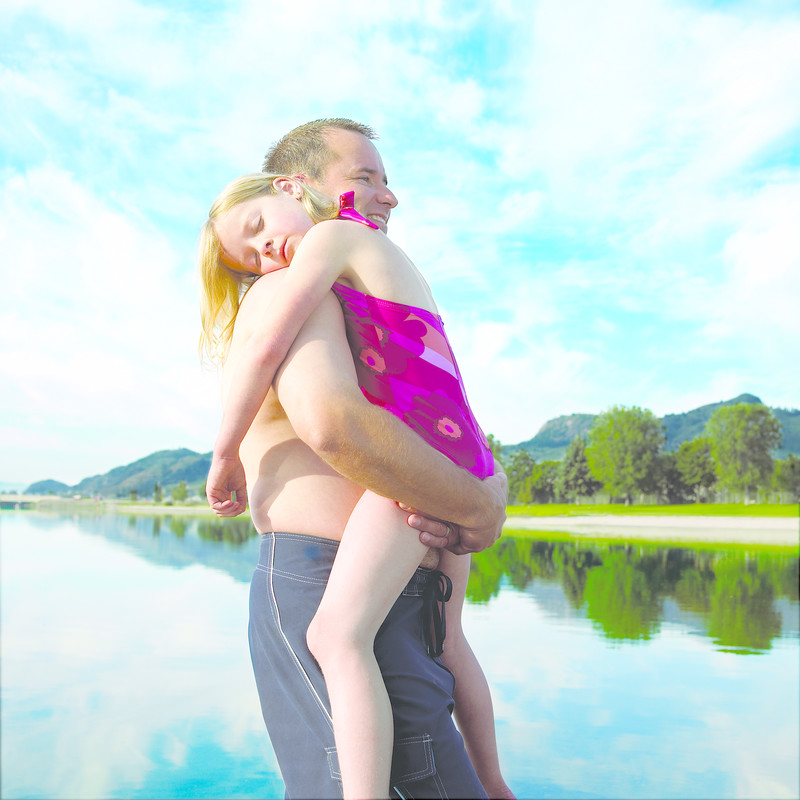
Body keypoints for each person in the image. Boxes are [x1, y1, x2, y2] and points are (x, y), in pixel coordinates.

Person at [200, 119, 513, 799]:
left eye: (386, 179)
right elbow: (331, 420)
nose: (388, 197)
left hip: (394, 579)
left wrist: (479, 503)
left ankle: (492, 782)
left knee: (357, 656)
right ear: (298, 185)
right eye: (365, 178)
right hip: (337, 569)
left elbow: (387, 421)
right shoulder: (300, 280)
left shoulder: (343, 283)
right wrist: (480, 497)